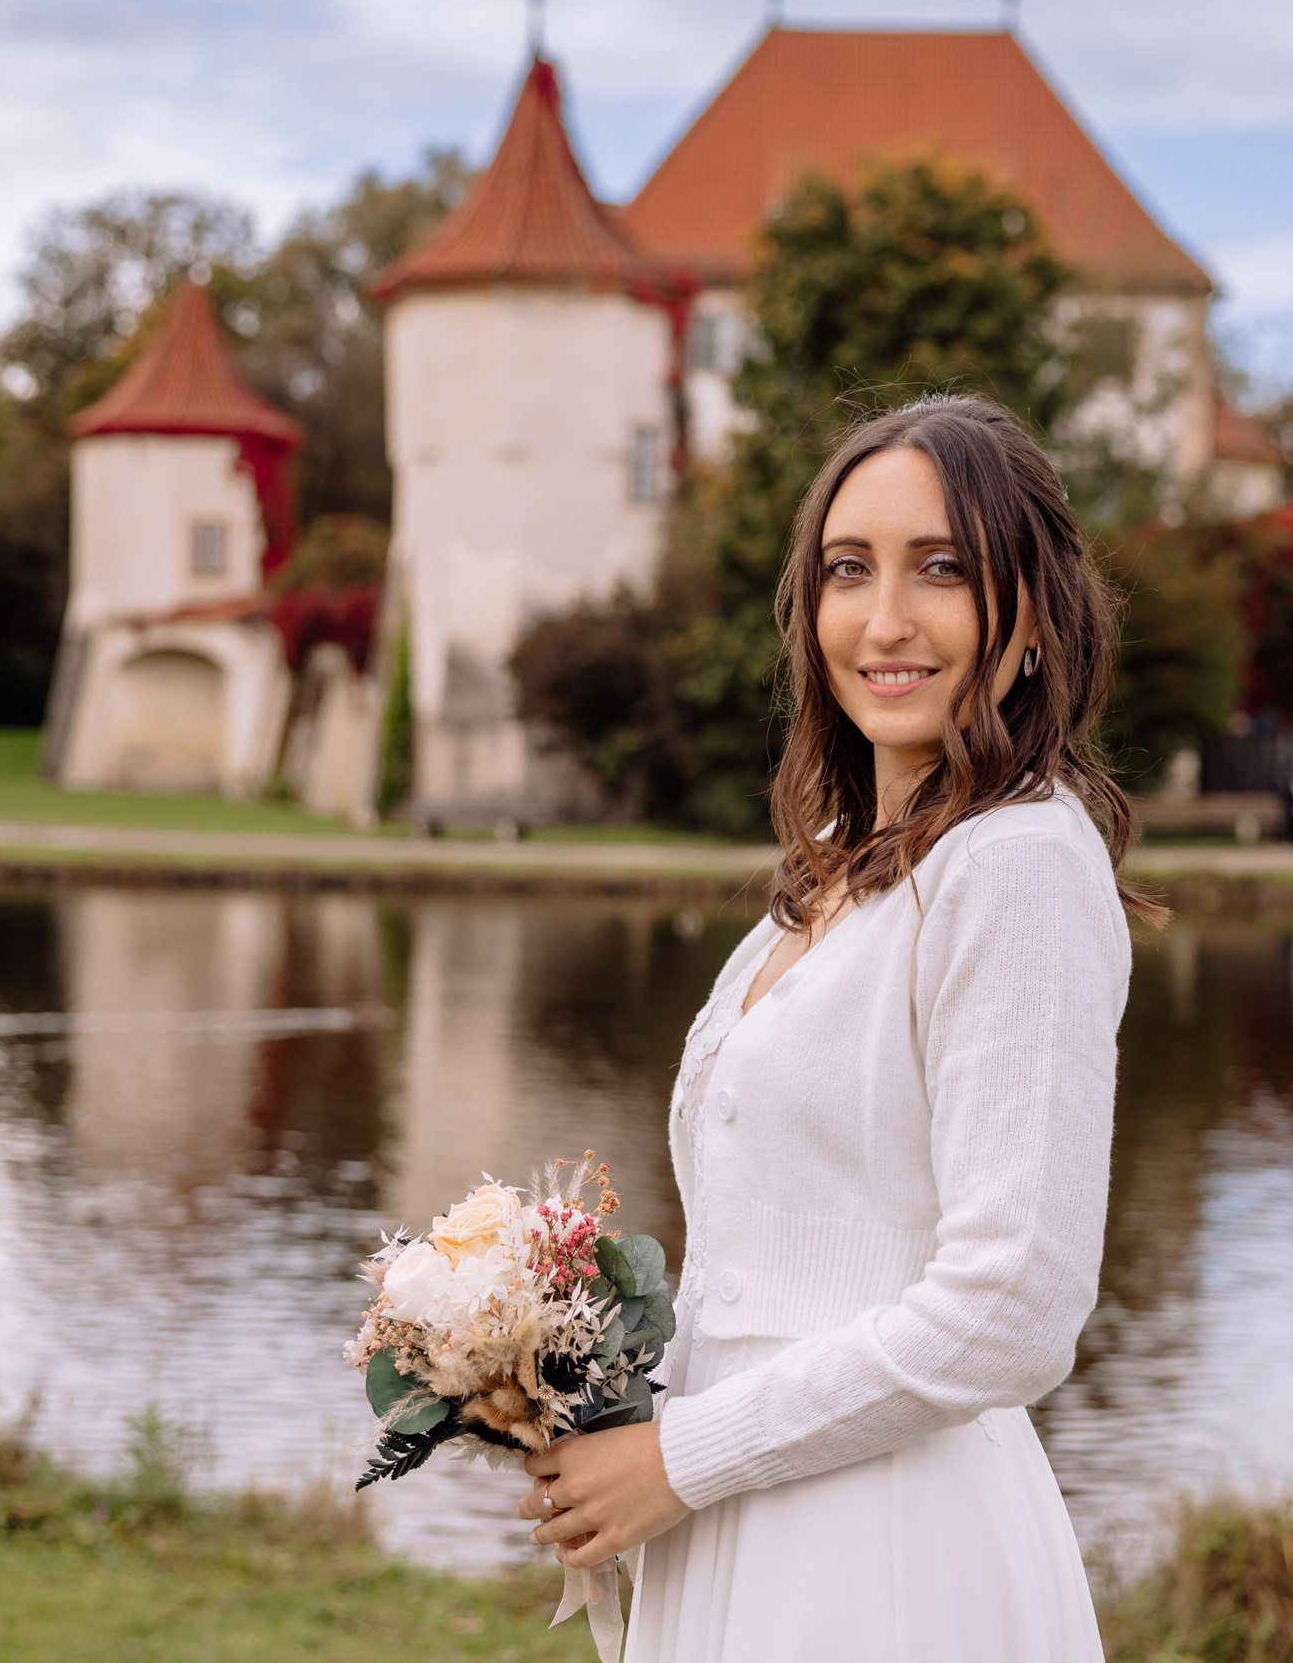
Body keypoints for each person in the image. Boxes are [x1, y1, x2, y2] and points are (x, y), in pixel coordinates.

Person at [513, 395, 1161, 1661]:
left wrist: (685, 1457)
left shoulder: (1018, 865)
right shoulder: (831, 867)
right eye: (846, 571)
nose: (884, 621)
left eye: (942, 570)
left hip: (886, 1551)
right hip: (733, 1523)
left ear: (1028, 613)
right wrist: (569, 1382)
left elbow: (1013, 1305)